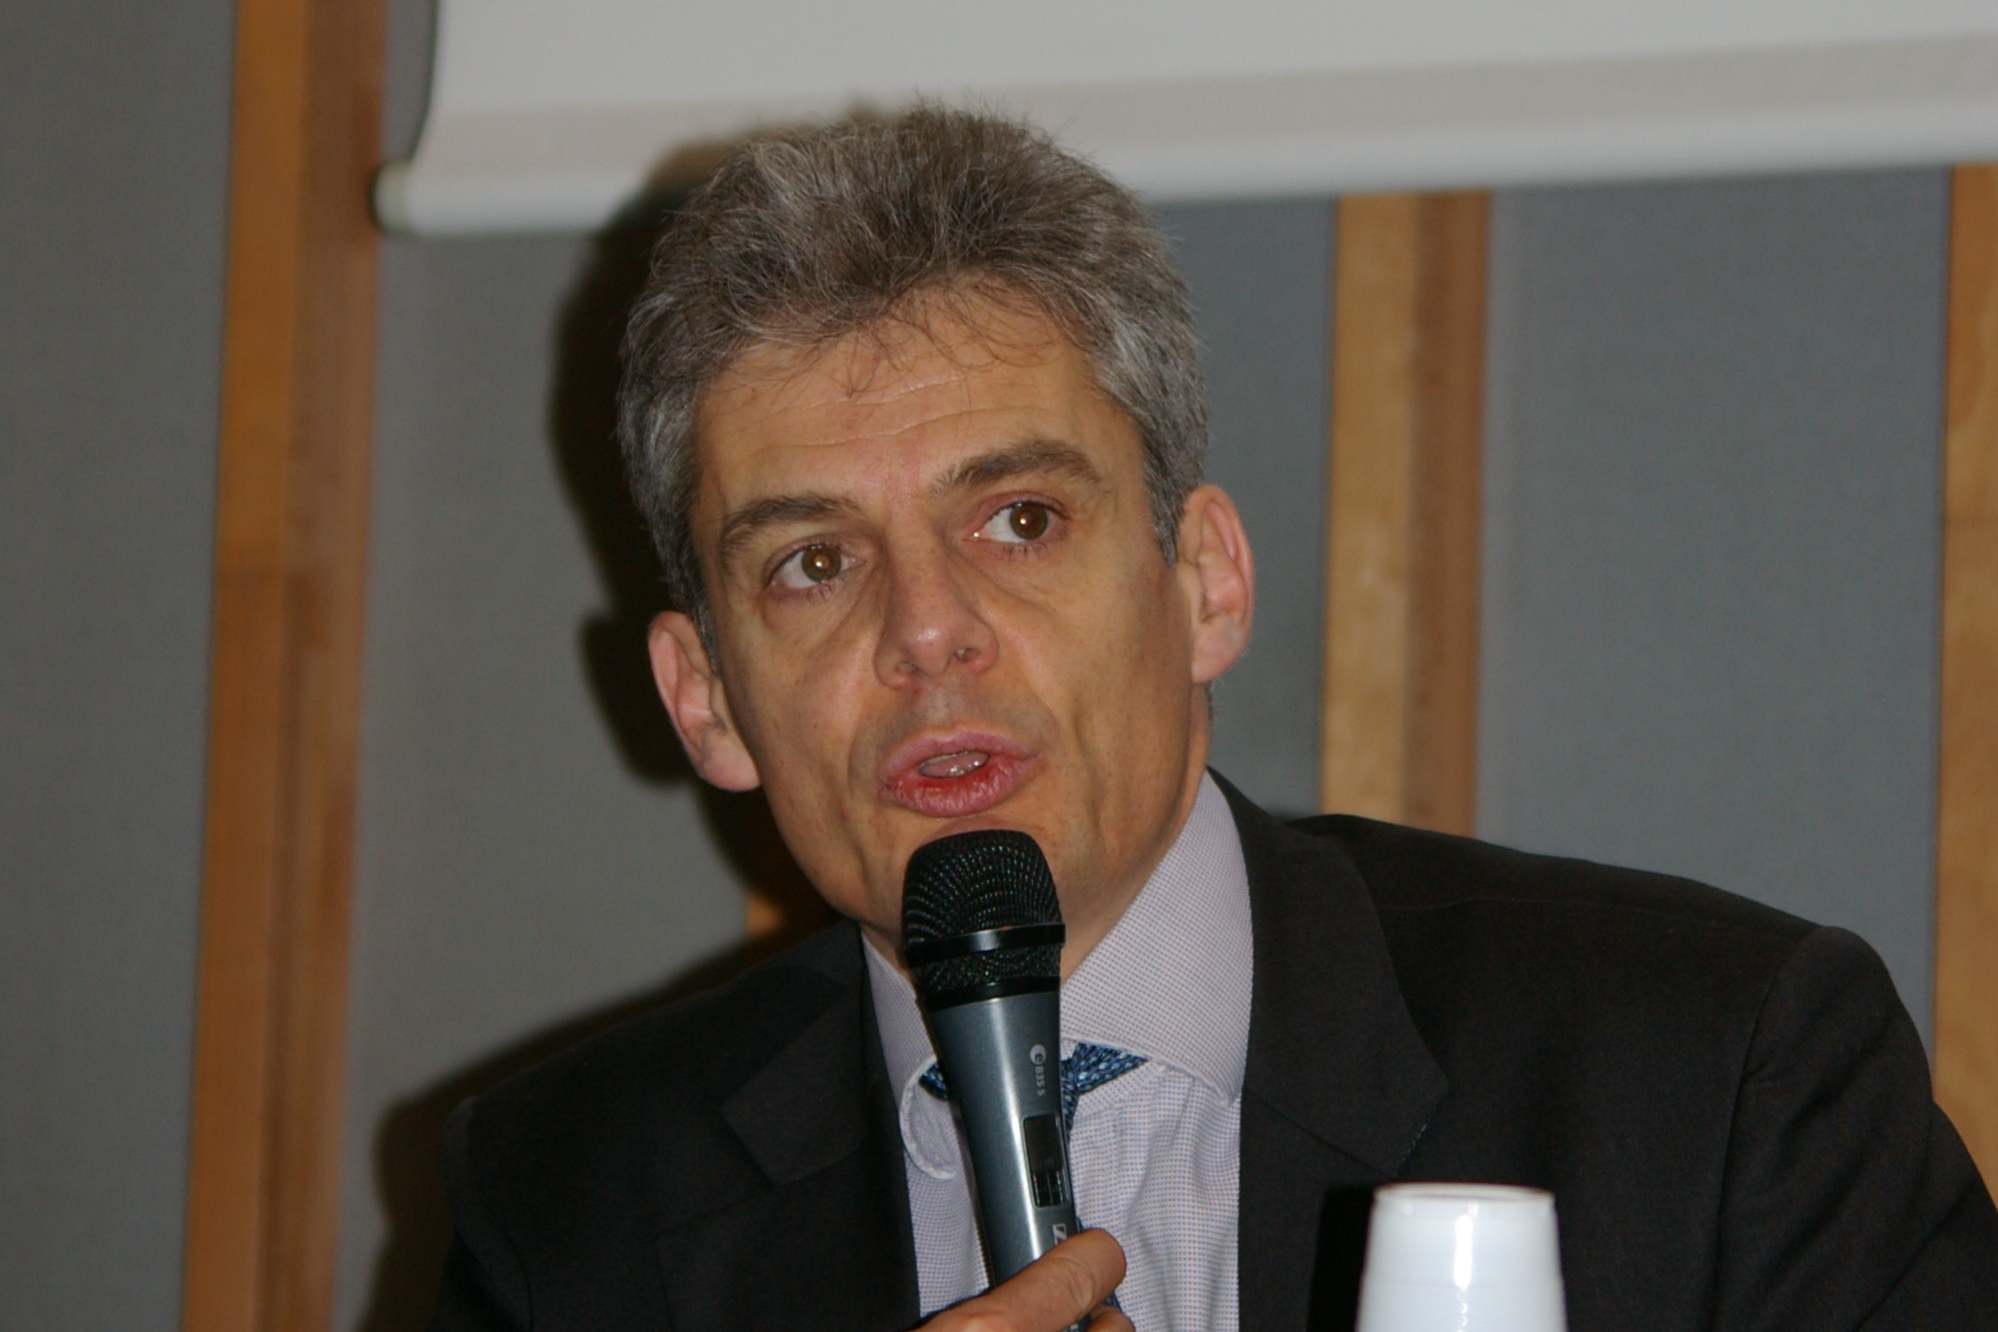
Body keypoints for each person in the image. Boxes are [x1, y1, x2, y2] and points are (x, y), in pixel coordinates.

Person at [428, 108, 1998, 1332]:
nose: (925, 633)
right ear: (707, 702)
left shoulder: (1713, 1072)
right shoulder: (568, 1203)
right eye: (813, 564)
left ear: (1204, 584)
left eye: (1020, 521)